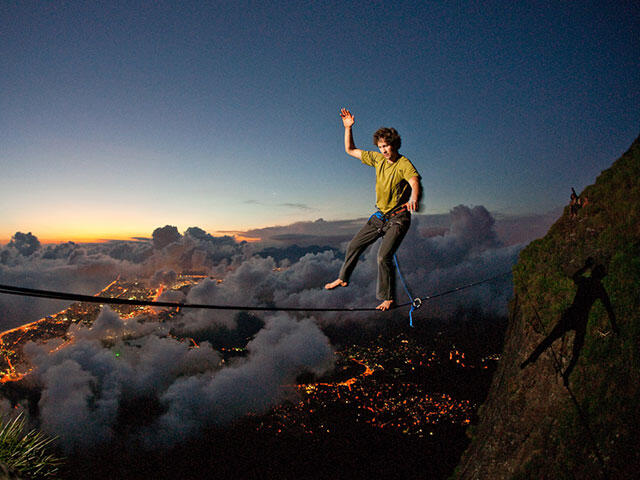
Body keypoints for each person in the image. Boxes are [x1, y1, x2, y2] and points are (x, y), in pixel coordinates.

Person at [325, 108, 421, 311]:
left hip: (398, 218)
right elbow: (350, 150)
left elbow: (414, 180)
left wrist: (414, 197)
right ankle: (342, 278)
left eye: (386, 146)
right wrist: (348, 128)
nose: (384, 150)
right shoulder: (377, 159)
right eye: (380, 147)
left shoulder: (403, 163)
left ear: (394, 145)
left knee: (382, 256)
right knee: (353, 245)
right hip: (380, 217)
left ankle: (388, 298)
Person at [520, 257, 619, 386]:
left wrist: (586, 267)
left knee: (551, 338)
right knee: (576, 351)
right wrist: (614, 326)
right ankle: (567, 375)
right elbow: (609, 309)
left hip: (571, 315)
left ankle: (531, 358)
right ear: (601, 277)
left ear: (594, 273)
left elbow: (575, 276)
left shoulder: (585, 281)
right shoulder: (599, 289)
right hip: (581, 320)